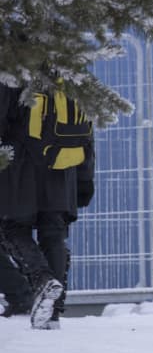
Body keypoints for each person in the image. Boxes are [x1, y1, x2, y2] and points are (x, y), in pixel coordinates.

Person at [0, 82, 93, 329]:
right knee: (53, 233)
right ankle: (52, 314)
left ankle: (43, 281)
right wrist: (85, 178)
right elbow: (86, 129)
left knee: (12, 228)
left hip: (19, 165)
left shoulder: (12, 68)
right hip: (63, 166)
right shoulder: (66, 64)